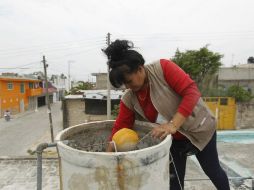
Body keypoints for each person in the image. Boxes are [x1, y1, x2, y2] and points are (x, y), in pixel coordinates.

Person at [103, 39, 230, 190]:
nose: (128, 87)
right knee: (174, 183)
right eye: (124, 84)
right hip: (173, 142)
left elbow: (191, 92)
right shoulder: (129, 98)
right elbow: (121, 127)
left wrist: (172, 124)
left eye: (129, 81)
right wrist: (107, 157)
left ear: (139, 69)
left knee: (213, 171)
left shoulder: (162, 69)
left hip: (200, 129)